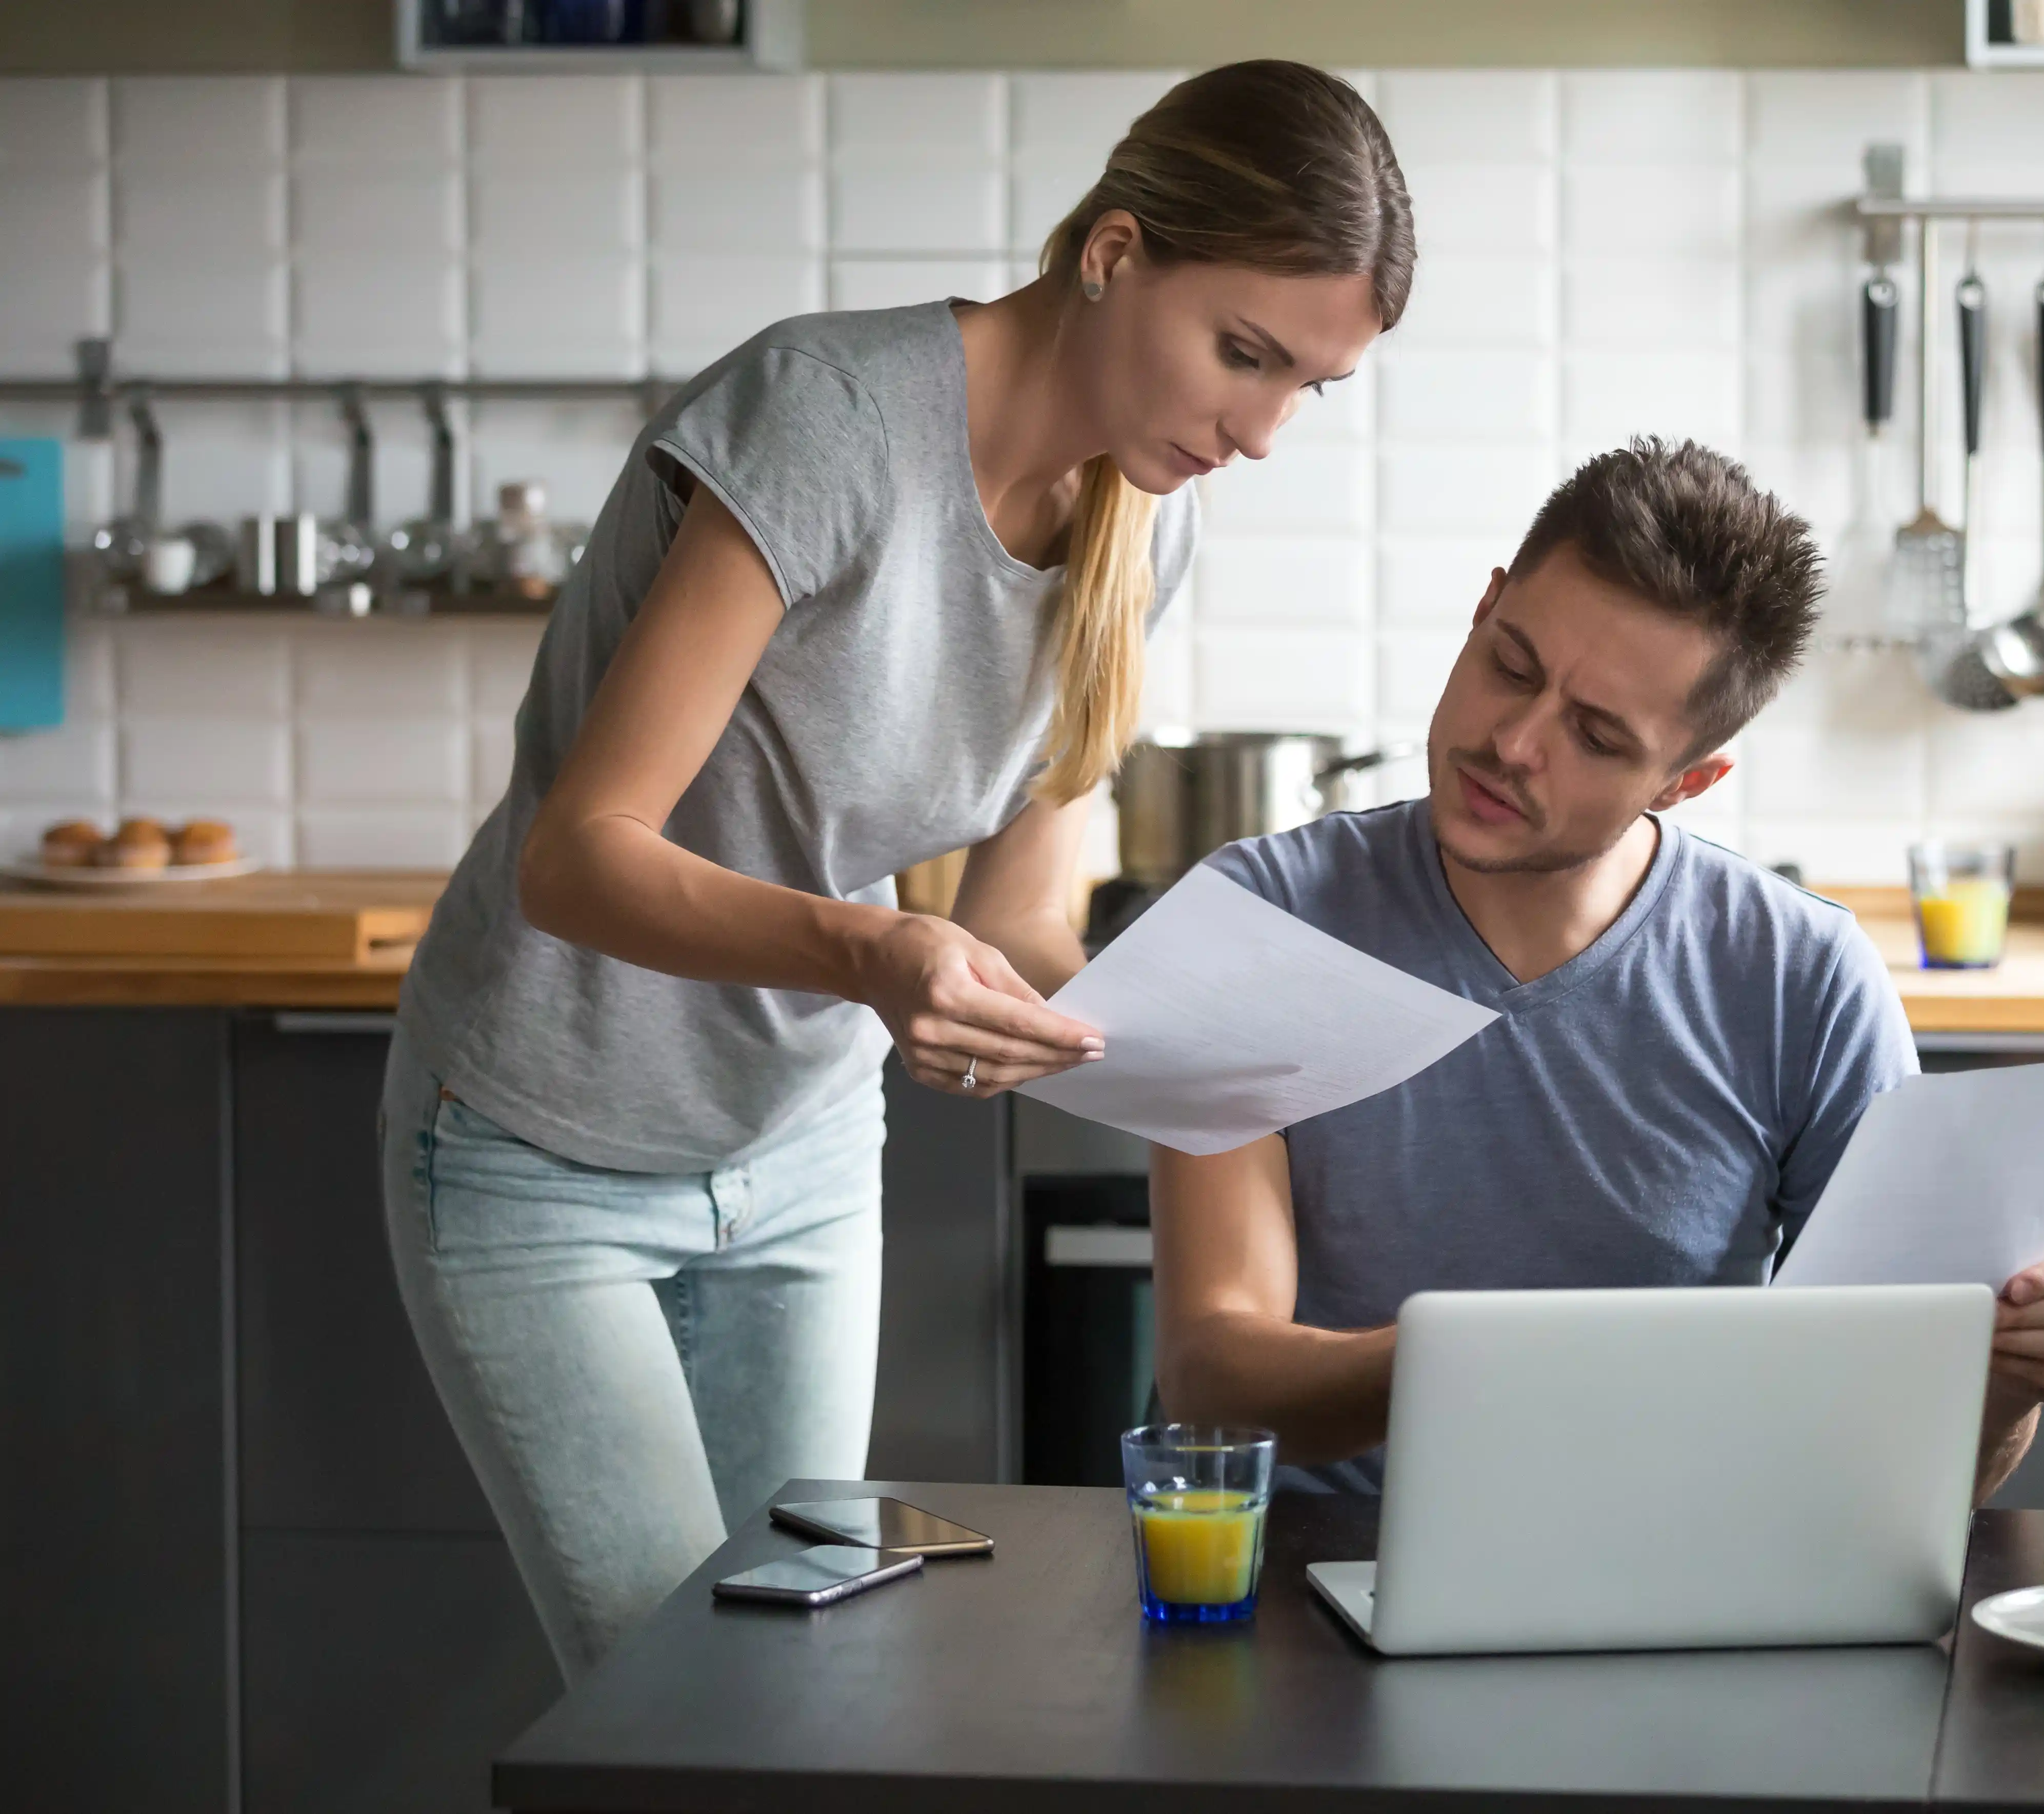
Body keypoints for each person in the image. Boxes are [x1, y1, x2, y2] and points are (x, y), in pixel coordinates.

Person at [380, 61, 1414, 1676]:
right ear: (1116, 251)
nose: (1263, 432)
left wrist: (1228, 1046)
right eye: (1245, 355)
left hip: (797, 1149)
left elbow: (1015, 920)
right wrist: (875, 958)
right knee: (668, 1699)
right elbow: (580, 862)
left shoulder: (1150, 519)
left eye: (1311, 390)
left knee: (799, 1679)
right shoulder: (828, 419)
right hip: (543, 1142)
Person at [1149, 439, 2044, 1498]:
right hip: (1292, 1581)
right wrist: (1510, 1358)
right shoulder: (1264, 917)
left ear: (1688, 781)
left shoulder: (1805, 978)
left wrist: (2008, 1374)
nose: (1515, 743)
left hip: (1669, 1579)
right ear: (1483, 610)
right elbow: (1216, 1374)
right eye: (1511, 667)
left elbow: (1909, 1460)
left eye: (1599, 736)